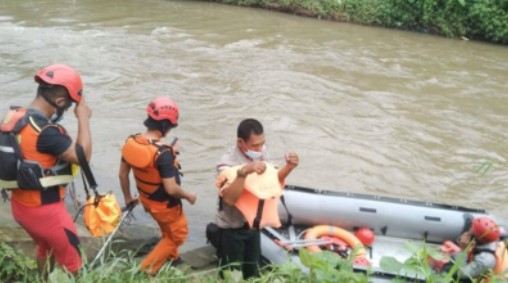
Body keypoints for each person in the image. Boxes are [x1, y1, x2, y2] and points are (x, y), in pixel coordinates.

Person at [2, 64, 92, 276]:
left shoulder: (16, 118)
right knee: (75, 264)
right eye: (68, 106)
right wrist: (84, 120)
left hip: (21, 207)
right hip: (47, 212)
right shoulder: (46, 132)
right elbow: (83, 157)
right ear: (60, 102)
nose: (68, 109)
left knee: (45, 249)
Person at [119, 97, 197, 276]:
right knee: (178, 235)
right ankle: (145, 271)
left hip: (147, 200)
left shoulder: (132, 142)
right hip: (166, 205)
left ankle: (172, 258)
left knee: (166, 229)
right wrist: (188, 195)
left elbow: (123, 174)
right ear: (165, 125)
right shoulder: (163, 154)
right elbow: (171, 189)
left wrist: (128, 198)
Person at [215, 118, 299, 279]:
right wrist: (244, 172)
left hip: (253, 227)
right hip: (231, 229)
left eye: (262, 143)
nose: (260, 149)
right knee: (232, 276)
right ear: (240, 142)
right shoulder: (226, 164)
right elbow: (229, 200)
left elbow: (272, 179)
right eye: (255, 145)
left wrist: (289, 167)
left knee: (253, 272)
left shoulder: (262, 153)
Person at [443, 216, 508, 282]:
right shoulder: (491, 243)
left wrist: (463, 250)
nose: (467, 233)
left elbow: (462, 274)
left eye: (470, 231)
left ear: (477, 238)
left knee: (449, 270)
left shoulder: (485, 258)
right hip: (482, 269)